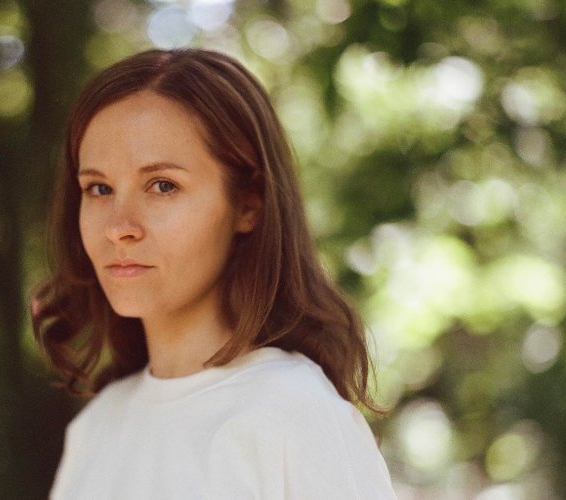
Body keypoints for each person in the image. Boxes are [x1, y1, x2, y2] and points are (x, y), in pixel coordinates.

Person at [31, 48, 397, 499]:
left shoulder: (295, 413)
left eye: (162, 185)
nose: (118, 227)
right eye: (99, 188)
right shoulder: (95, 429)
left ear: (248, 204)